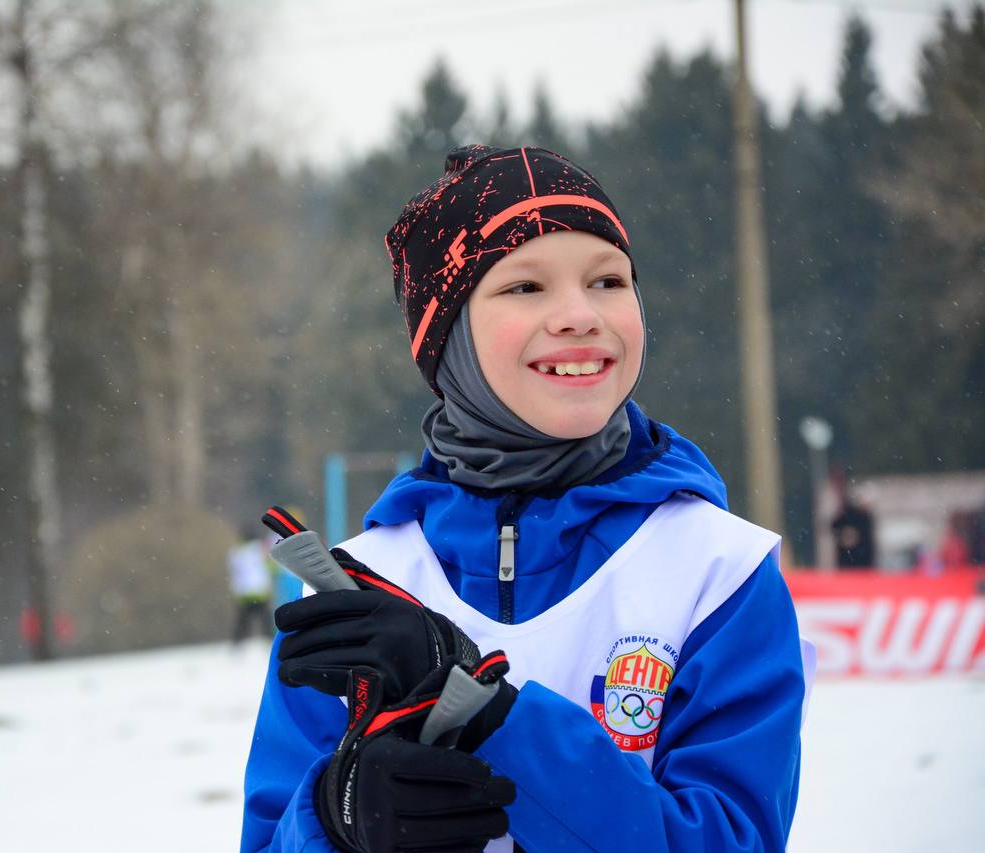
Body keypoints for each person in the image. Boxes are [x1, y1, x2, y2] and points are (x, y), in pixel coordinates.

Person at [241, 146, 814, 852]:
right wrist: (335, 815)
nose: (580, 314)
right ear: (446, 336)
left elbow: (733, 840)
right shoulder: (359, 586)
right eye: (525, 287)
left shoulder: (718, 572)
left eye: (608, 280)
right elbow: (272, 836)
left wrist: (494, 721)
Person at [229, 522, 274, 644]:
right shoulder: (260, 549)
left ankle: (236, 644)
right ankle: (271, 642)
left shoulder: (236, 552)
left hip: (244, 593)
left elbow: (235, 572)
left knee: (242, 623)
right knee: (266, 621)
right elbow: (271, 566)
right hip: (260, 591)